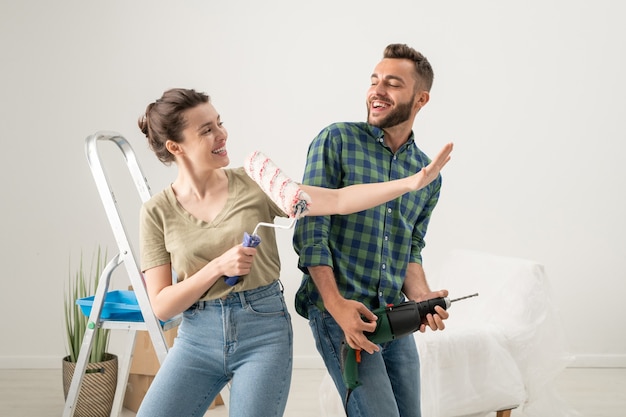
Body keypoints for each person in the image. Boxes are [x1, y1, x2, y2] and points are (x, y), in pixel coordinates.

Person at [135, 87, 452, 417]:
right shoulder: (156, 212)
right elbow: (161, 304)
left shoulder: (255, 182)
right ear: (176, 146)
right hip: (197, 338)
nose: (221, 134)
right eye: (207, 130)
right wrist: (217, 267)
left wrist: (410, 183)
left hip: (262, 332)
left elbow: (339, 200)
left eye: (219, 123)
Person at [293, 44, 450, 417]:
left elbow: (410, 248)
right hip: (341, 311)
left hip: (394, 315)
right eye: (374, 81)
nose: (377, 91)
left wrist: (424, 298)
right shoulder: (337, 141)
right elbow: (311, 231)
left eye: (392, 84)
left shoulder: (426, 173)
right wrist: (335, 306)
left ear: (420, 99)